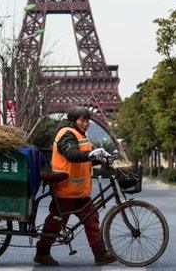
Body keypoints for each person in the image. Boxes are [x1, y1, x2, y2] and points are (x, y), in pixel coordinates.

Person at [34, 107, 116, 267]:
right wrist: (90, 154)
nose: (86, 123)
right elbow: (71, 154)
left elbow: (85, 158)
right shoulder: (67, 133)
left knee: (91, 220)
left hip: (79, 192)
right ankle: (42, 253)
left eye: (87, 120)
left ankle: (101, 254)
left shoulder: (79, 134)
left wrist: (102, 158)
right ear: (73, 121)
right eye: (82, 120)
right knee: (56, 222)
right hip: (66, 189)